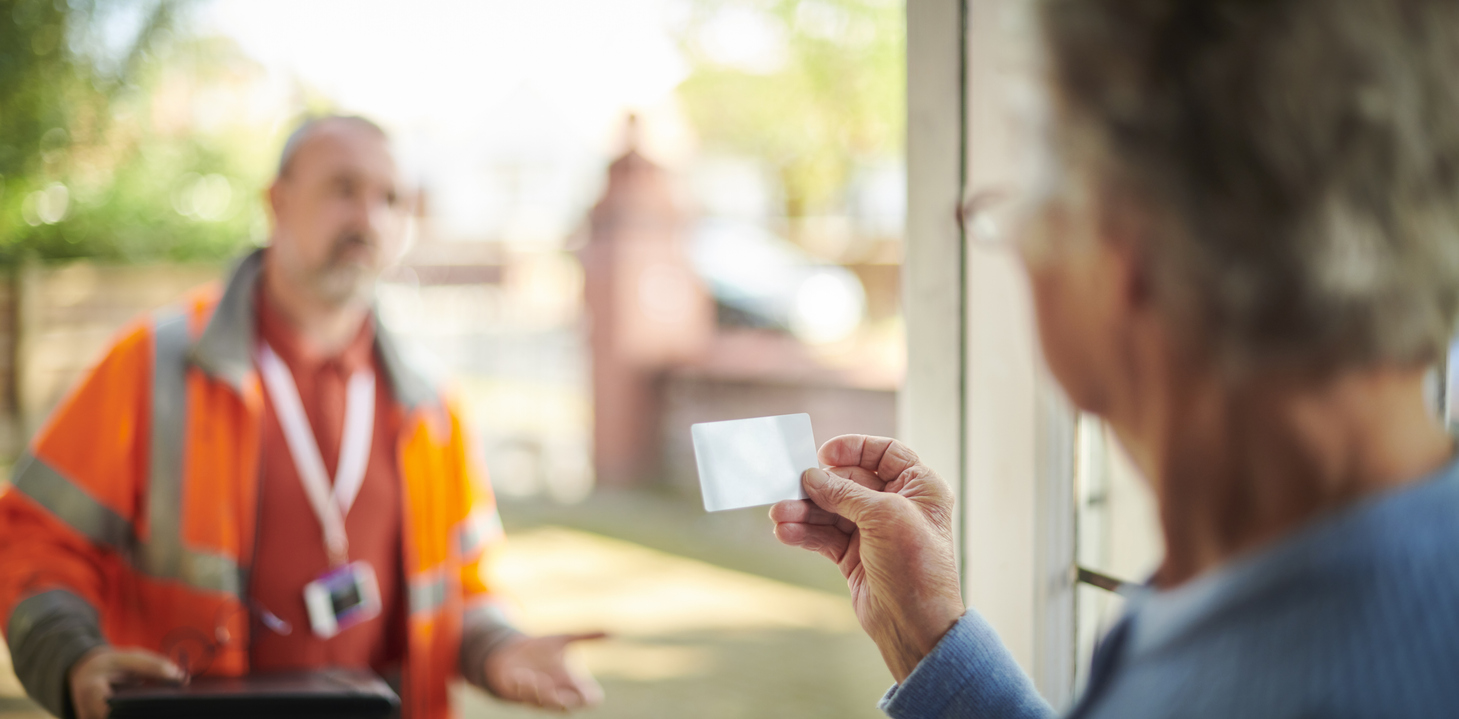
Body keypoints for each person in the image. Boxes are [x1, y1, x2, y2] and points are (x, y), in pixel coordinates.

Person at [771, 0, 1459, 717]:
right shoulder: (1274, 583)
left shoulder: (1292, 676)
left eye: (1022, 197)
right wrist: (927, 642)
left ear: (1125, 239)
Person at [0, 116, 603, 719]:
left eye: (390, 198)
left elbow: (463, 587)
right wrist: (69, 656)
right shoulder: (153, 366)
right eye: (343, 189)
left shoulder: (431, 401)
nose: (369, 218)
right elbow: (31, 538)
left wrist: (499, 649)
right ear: (277, 200)